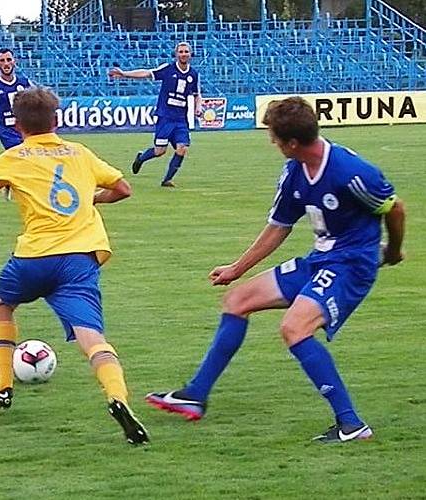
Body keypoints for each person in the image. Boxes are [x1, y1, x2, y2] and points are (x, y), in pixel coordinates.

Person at [146, 96, 405, 443]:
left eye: (274, 138)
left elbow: (395, 207)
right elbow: (279, 226)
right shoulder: (295, 172)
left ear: (293, 143)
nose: (272, 143)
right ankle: (195, 395)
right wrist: (237, 269)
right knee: (237, 300)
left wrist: (393, 251)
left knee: (294, 328)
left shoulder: (351, 172)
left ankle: (352, 425)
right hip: (321, 260)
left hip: (351, 265)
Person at [0, 86, 149, 445]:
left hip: (33, 258)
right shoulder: (81, 153)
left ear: (17, 124)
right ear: (56, 119)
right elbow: (124, 190)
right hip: (79, 260)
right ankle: (118, 398)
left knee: (4, 304)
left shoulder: (10, 158)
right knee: (91, 336)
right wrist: (90, 199)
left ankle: (3, 387)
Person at [108, 42, 201, 187]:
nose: (183, 54)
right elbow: (146, 73)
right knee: (159, 151)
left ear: (190, 54)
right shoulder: (168, 69)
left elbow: (196, 94)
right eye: (181, 52)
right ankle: (141, 158)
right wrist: (125, 74)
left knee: (182, 148)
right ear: (176, 54)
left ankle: (167, 180)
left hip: (180, 120)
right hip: (165, 117)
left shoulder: (193, 74)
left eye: (186, 52)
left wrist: (198, 107)